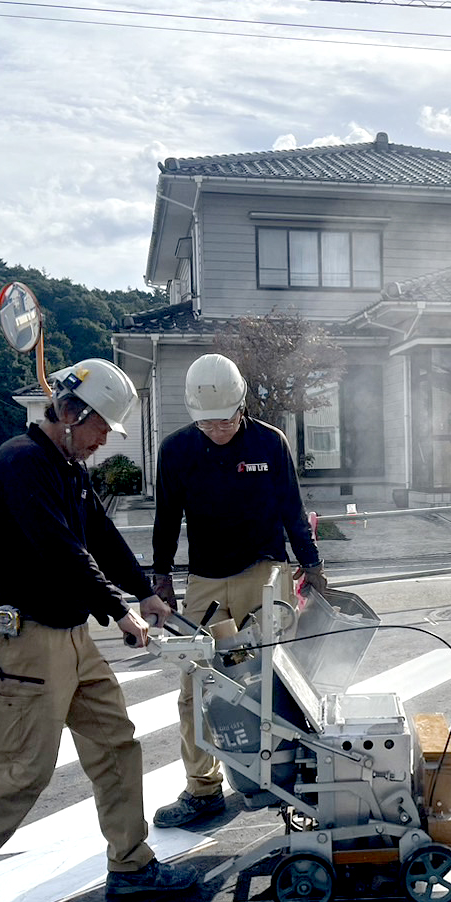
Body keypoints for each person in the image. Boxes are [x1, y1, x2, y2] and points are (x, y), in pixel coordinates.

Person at [0, 358, 195, 902]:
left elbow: (101, 537)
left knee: (116, 741)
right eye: (100, 428)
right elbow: (62, 550)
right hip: (28, 644)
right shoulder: (19, 464)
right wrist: (119, 611)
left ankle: (131, 864)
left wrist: (147, 592)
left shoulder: (65, 466)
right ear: (71, 414)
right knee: (23, 774)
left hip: (72, 637)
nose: (104, 440)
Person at [149, 353, 326, 828]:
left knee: (275, 678)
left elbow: (293, 508)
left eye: (226, 420)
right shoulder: (176, 451)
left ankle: (285, 776)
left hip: (265, 571)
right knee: (195, 686)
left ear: (242, 406)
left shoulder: (270, 443)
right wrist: (160, 575)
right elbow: (166, 519)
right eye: (207, 423)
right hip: (205, 577)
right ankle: (202, 788)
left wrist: (312, 563)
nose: (218, 430)